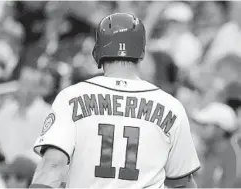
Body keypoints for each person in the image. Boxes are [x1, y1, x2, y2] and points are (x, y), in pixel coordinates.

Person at [30, 13, 200, 188]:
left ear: (98, 51)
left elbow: (53, 165)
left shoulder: (71, 97)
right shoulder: (170, 106)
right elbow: (182, 183)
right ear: (141, 54)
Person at [192, 102, 240, 187]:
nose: (199, 129)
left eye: (204, 125)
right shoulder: (207, 151)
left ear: (220, 130)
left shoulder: (234, 161)